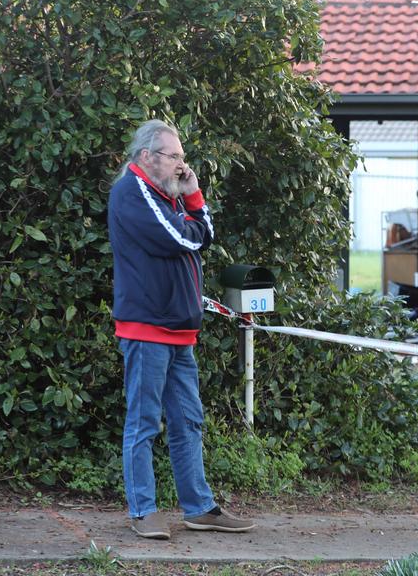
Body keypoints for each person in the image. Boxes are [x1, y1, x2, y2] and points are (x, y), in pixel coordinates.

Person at [108, 119, 254, 539]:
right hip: (146, 329)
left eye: (183, 158)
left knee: (188, 421)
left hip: (179, 333)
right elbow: (185, 240)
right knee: (143, 422)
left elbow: (202, 232)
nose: (180, 165)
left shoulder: (169, 195)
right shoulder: (133, 193)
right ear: (146, 157)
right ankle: (143, 510)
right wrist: (189, 218)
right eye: (174, 157)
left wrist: (191, 195)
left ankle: (199, 508)